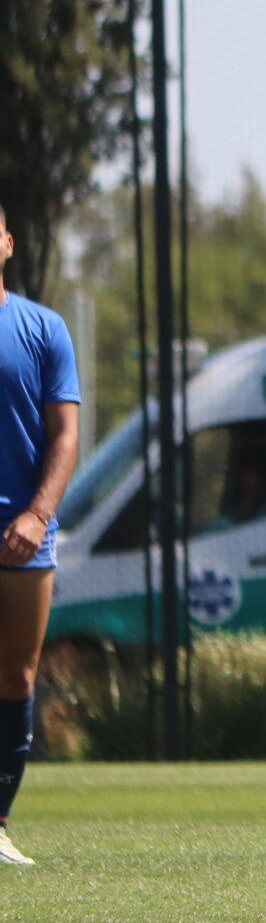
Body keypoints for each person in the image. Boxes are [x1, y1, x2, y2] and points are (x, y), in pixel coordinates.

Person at [0, 204, 82, 868]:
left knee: (18, 673)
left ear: (6, 241)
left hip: (23, 534)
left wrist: (37, 514)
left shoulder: (43, 328)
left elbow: (65, 434)